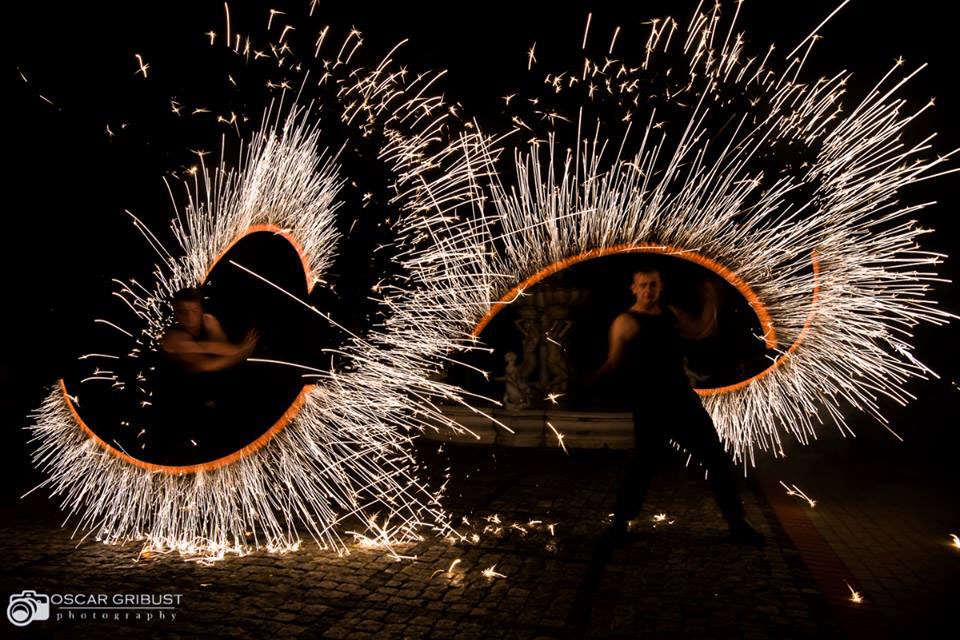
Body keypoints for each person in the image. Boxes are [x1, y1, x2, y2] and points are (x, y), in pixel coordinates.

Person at [589, 265, 765, 547]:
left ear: (660, 286)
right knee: (643, 466)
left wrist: (711, 302)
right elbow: (613, 362)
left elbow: (699, 331)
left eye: (654, 284)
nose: (649, 290)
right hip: (650, 405)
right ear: (634, 288)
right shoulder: (626, 321)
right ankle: (619, 524)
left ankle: (737, 523)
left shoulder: (671, 314)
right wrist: (588, 385)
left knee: (717, 459)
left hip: (683, 402)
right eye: (644, 284)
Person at [160, 287, 259, 373]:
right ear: (176, 313)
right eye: (183, 312)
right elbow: (207, 364)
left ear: (201, 310)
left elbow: (224, 347)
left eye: (194, 311)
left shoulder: (208, 320)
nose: (189, 317)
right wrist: (242, 352)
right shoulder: (173, 336)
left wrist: (238, 350)